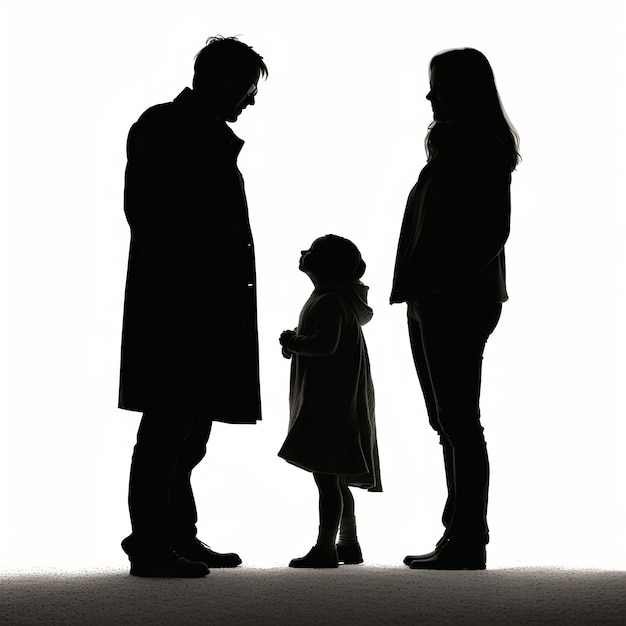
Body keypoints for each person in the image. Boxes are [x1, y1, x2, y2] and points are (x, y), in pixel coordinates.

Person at [118, 36, 268, 577]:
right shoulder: (167, 128)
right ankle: (152, 543)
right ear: (225, 81)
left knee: (188, 428)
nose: (250, 102)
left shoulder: (182, 129)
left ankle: (175, 535)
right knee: (167, 426)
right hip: (181, 305)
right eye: (248, 89)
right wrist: (198, 286)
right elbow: (152, 217)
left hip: (198, 303)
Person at [390, 48, 520, 570]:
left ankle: (467, 539)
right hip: (434, 299)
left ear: (468, 90)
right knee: (448, 420)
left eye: (440, 86)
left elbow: (491, 230)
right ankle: (460, 535)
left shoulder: (480, 150)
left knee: (459, 421)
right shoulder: (451, 149)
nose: (430, 96)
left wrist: (439, 285)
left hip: (455, 301)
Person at [278, 235, 381, 568]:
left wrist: (294, 341)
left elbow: (325, 345)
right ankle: (348, 543)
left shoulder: (330, 301)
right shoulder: (334, 299)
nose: (303, 251)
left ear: (325, 265)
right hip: (337, 400)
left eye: (313, 249)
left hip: (330, 403)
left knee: (326, 478)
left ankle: (325, 548)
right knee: (335, 477)